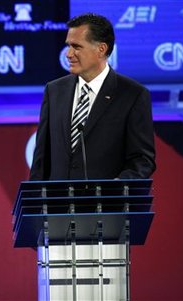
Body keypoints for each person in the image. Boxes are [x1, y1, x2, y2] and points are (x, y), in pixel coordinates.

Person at [30, 13, 155, 181]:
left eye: (76, 46)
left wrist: (115, 189)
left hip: (106, 204)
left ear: (101, 49)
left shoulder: (133, 95)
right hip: (58, 204)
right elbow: (41, 159)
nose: (68, 54)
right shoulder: (54, 91)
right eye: (68, 46)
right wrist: (36, 202)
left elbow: (142, 160)